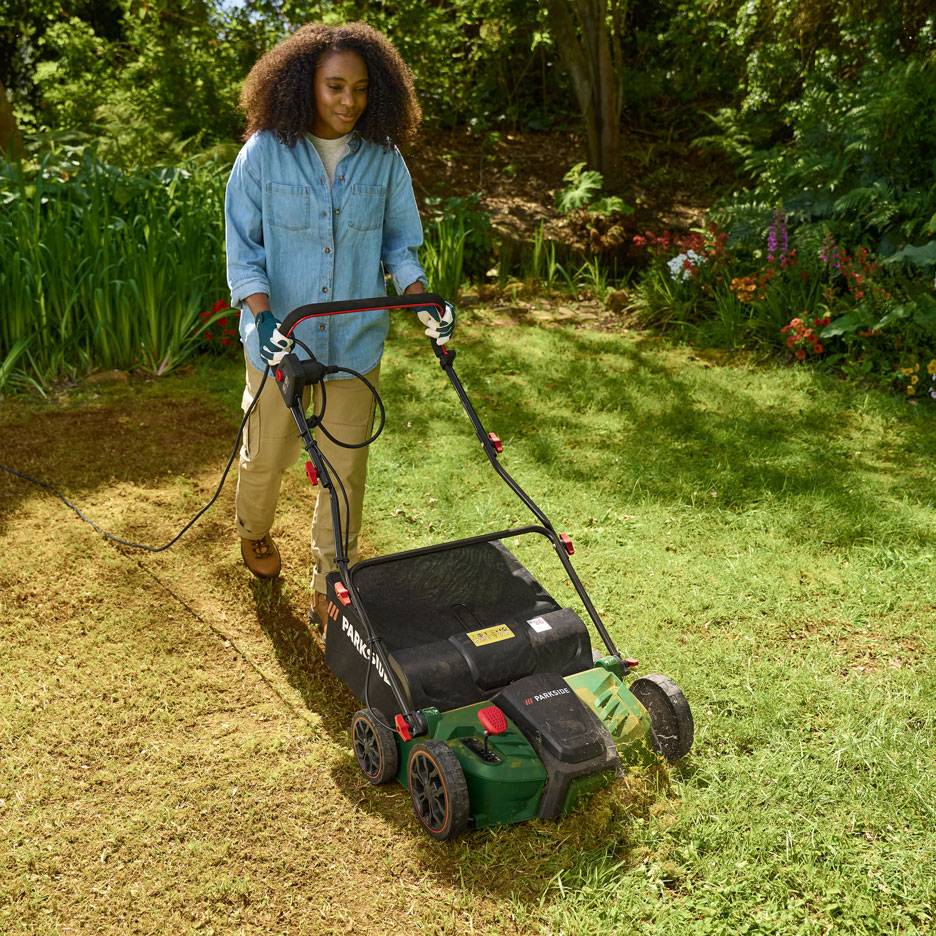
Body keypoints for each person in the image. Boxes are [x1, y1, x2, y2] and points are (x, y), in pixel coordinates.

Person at [224, 22, 455, 633]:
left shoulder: (384, 160)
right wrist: (262, 313)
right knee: (264, 458)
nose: (348, 100)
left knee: (345, 468)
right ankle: (253, 529)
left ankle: (333, 578)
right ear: (306, 86)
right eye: (334, 87)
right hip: (279, 346)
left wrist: (418, 296)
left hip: (354, 342)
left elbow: (400, 245)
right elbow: (244, 253)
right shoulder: (264, 153)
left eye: (358, 88)